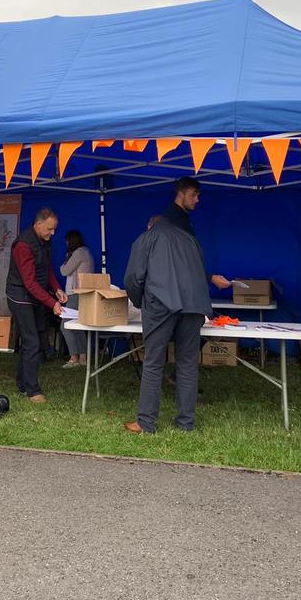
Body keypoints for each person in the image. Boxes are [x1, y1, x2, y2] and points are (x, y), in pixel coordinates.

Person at [122, 177, 230, 433]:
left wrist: (141, 303)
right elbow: (199, 273)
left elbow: (132, 279)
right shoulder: (190, 239)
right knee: (187, 364)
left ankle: (146, 422)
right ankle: (185, 423)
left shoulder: (148, 238)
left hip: (161, 304)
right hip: (194, 307)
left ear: (152, 225)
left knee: (154, 362)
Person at [6, 207, 67, 403]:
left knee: (33, 341)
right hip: (19, 296)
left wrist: (57, 288)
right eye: (50, 229)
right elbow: (29, 282)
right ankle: (33, 391)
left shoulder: (44, 241)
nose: (53, 233)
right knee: (32, 342)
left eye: (54, 229)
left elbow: (46, 269)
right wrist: (52, 303)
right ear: (38, 224)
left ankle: (23, 383)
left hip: (35, 296)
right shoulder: (23, 245)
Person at [59, 229, 94, 368]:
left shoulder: (78, 253)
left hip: (75, 293)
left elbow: (64, 271)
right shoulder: (87, 252)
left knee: (65, 326)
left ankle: (74, 358)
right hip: (84, 294)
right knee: (78, 326)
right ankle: (83, 358)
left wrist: (64, 261)